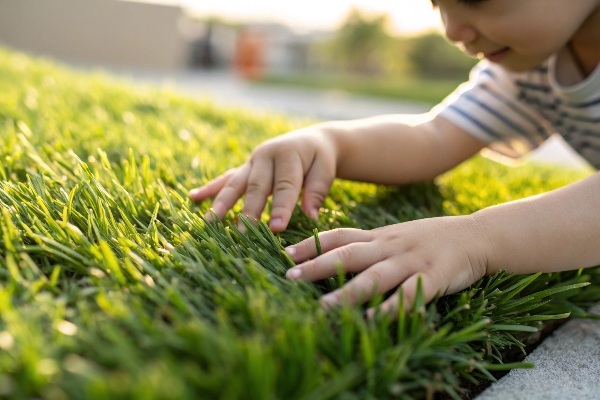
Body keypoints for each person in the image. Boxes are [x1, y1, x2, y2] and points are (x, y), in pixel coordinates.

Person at [189, 0, 600, 317]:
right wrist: (329, 143)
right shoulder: (533, 67)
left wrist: (480, 237)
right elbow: (434, 136)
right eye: (438, 3)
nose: (452, 29)